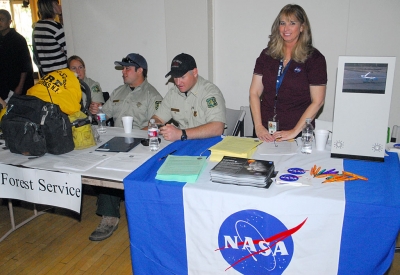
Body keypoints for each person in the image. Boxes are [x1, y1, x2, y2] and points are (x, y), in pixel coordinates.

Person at [87, 53, 163, 241]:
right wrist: (97, 111)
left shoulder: (152, 95)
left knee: (116, 162)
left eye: (127, 68)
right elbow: (104, 115)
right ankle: (109, 216)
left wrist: (136, 135)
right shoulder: (118, 92)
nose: (123, 72)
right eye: (123, 68)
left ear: (140, 70)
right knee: (102, 163)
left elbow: (158, 124)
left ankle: (136, 217)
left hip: (141, 146)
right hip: (116, 141)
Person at [249, 4, 327, 142]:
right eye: (282, 23)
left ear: (302, 27)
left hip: (296, 134)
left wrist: (294, 132)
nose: (286, 28)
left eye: (292, 23)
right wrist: (258, 126)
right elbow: (254, 93)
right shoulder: (267, 55)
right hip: (265, 132)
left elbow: (318, 101)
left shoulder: (314, 58)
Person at [152, 53, 226, 142]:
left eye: (182, 77)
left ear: (194, 73)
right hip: (183, 143)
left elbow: (217, 128)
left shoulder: (209, 92)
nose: (178, 82)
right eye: (175, 77)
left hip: (207, 144)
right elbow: (157, 118)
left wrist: (181, 134)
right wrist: (160, 127)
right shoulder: (173, 93)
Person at [0, 9, 34, 101]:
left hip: (17, 82)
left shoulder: (18, 40)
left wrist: (20, 86)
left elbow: (25, 65)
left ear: (10, 22)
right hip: (3, 83)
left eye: (2, 19)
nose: (0, 23)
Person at [33, 0, 67, 75]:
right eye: (56, 4)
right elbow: (68, 49)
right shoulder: (55, 27)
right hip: (61, 72)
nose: (59, 6)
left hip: (47, 73)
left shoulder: (37, 26)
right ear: (51, 6)